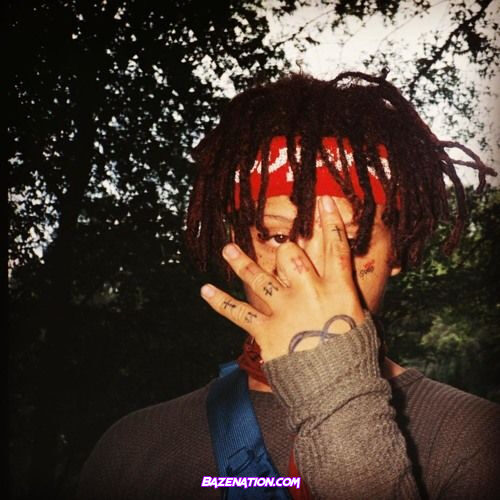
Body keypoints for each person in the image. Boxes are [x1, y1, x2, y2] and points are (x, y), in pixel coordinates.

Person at [77, 72, 499, 499]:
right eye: (278, 237)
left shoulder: (475, 443)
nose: (305, 269)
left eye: (349, 241)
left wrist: (334, 390)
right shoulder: (131, 450)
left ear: (399, 251)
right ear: (239, 244)